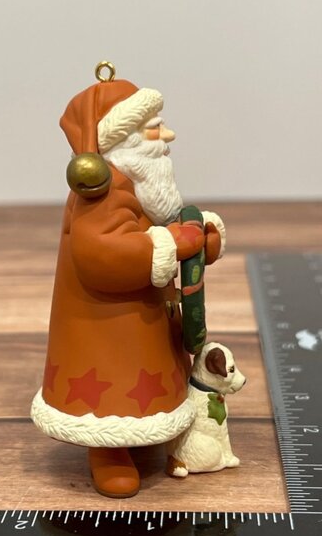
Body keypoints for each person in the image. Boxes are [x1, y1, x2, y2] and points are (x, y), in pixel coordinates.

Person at [31, 64, 226, 498]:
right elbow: (101, 256)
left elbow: (171, 226)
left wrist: (201, 239)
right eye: (154, 129)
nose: (168, 136)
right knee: (110, 390)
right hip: (107, 325)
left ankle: (147, 428)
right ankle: (108, 450)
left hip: (147, 320)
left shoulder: (141, 185)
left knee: (144, 380)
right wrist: (172, 243)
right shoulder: (101, 195)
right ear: (123, 139)